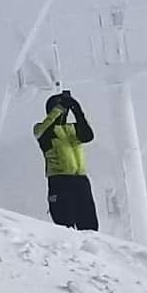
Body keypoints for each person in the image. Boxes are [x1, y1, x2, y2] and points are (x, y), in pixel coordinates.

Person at [32, 91, 98, 231]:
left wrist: (77, 110)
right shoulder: (42, 129)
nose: (64, 113)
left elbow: (88, 135)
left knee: (89, 225)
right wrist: (60, 108)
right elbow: (43, 131)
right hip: (60, 181)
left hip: (80, 181)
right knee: (64, 224)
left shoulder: (71, 129)